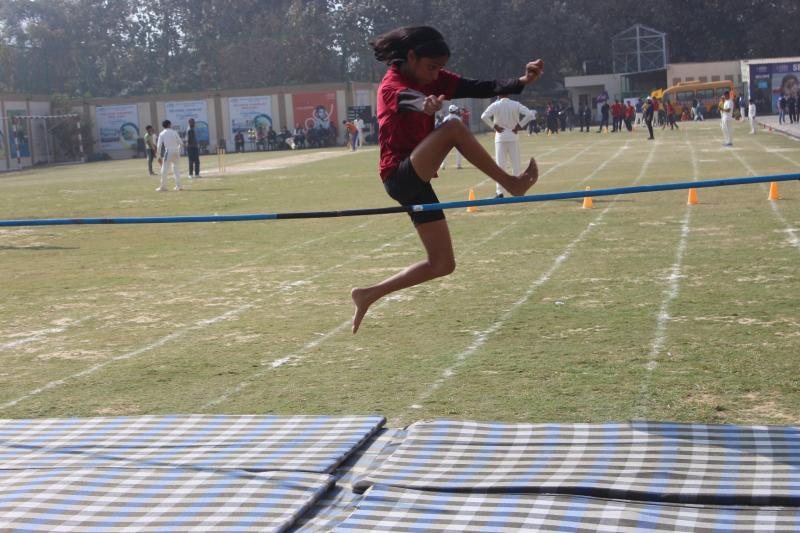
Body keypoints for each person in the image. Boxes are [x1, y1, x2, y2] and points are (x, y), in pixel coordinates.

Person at [350, 26, 542, 334]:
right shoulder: (390, 86)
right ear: (411, 57)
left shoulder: (432, 77)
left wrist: (521, 81)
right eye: (431, 67)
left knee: (442, 264)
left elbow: (477, 86)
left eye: (439, 68)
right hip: (398, 176)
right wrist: (423, 103)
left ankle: (368, 294)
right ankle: (511, 183)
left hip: (418, 180)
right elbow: (406, 99)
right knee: (453, 127)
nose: (435, 75)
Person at [481, 94, 536, 198]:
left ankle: (499, 192)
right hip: (513, 137)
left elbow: (483, 116)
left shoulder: (496, 105)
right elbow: (529, 114)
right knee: (516, 165)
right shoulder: (515, 104)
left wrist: (494, 126)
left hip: (500, 138)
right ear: (509, 94)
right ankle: (518, 190)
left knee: (500, 166)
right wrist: (519, 126)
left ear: (499, 95)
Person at [155, 119, 183, 191]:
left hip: (168, 150)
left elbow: (159, 146)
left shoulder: (162, 133)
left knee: (164, 169)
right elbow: (181, 143)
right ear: (169, 125)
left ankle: (163, 187)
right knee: (176, 169)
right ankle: (179, 186)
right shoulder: (174, 132)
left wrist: (158, 156)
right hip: (176, 150)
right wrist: (178, 150)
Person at [439, 105, 463, 169]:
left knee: (444, 152)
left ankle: (443, 165)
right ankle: (458, 165)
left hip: (447, 137)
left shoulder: (445, 118)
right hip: (456, 137)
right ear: (455, 111)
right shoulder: (458, 118)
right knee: (459, 151)